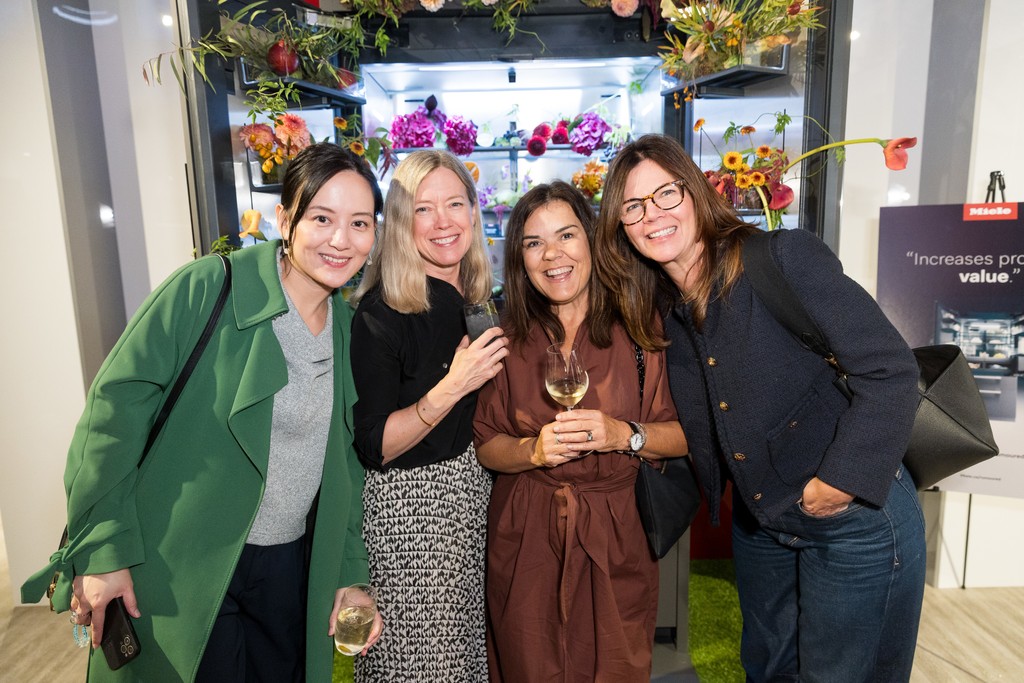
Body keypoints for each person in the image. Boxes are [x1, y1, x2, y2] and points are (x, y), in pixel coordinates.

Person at [21, 142, 384, 682]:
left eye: (359, 223)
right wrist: (103, 550)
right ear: (285, 219)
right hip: (180, 566)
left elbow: (345, 470)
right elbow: (111, 418)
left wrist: (349, 573)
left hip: (289, 571)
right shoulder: (206, 288)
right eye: (321, 218)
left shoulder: (348, 331)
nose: (340, 240)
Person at [595, 134, 927, 682]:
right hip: (763, 522)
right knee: (767, 671)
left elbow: (891, 369)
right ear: (620, 226)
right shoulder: (666, 308)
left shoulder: (782, 259)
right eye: (633, 206)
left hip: (853, 518)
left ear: (696, 193)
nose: (651, 214)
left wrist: (838, 483)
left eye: (666, 194)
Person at [472, 181, 688, 681]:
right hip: (526, 534)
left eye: (566, 235)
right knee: (528, 667)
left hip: (617, 533)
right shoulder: (505, 336)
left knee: (613, 667)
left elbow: (686, 435)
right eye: (534, 243)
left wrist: (623, 435)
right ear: (519, 258)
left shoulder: (642, 326)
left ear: (592, 240)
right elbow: (487, 444)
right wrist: (534, 451)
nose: (553, 255)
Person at [348, 149, 508, 682]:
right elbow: (375, 444)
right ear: (400, 222)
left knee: (466, 662)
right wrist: (454, 384)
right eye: (423, 208)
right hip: (414, 517)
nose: (443, 222)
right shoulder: (382, 312)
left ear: (473, 212)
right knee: (423, 667)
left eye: (454, 204)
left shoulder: (477, 299)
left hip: (472, 501)